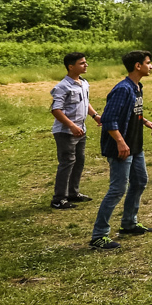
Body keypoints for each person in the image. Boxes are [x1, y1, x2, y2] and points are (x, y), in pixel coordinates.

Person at [90, 50, 152, 250]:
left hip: (135, 146)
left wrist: (144, 121)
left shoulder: (137, 87)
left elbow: (131, 111)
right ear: (138, 66)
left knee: (140, 181)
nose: (151, 66)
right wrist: (120, 142)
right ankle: (99, 235)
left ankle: (129, 223)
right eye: (148, 62)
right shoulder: (123, 89)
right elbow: (108, 119)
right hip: (121, 148)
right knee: (118, 189)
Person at [49, 52, 102, 210]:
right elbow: (56, 110)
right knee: (67, 163)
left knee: (79, 161)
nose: (86, 65)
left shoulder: (83, 83)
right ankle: (59, 199)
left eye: (85, 62)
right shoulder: (62, 87)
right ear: (71, 67)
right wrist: (71, 126)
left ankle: (73, 192)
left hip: (81, 129)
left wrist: (95, 116)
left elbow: (86, 102)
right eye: (82, 63)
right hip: (66, 132)